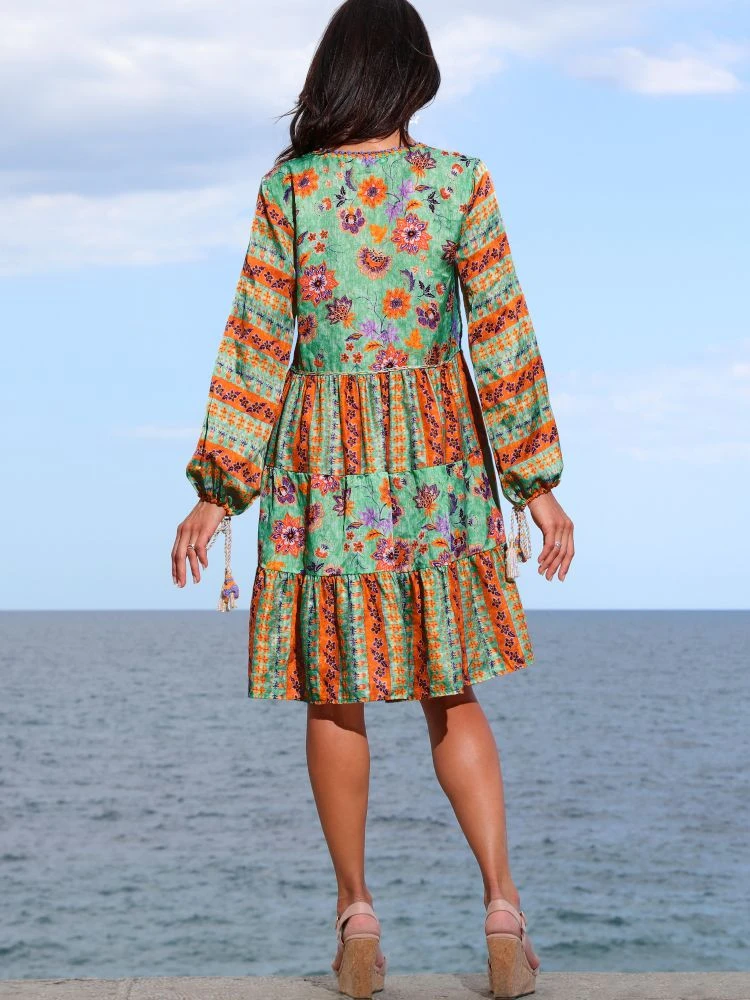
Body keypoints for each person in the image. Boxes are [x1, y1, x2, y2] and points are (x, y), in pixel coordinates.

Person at [171, 0, 574, 996]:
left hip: (322, 470)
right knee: (451, 690)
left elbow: (256, 343)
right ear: (413, 74)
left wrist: (220, 491)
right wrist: (537, 485)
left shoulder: (293, 191)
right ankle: (503, 911)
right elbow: (503, 337)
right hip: (438, 465)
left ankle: (356, 914)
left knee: (334, 690)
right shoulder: (458, 183)